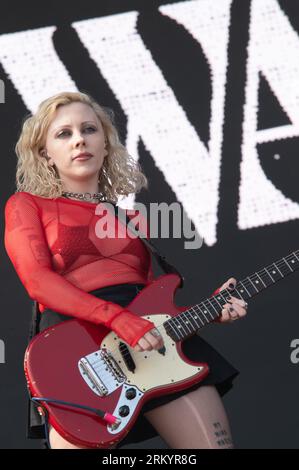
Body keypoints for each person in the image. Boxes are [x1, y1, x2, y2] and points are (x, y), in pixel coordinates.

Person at [4, 91, 248, 450]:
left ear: (105, 144)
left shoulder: (130, 219)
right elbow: (37, 281)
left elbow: (155, 308)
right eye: (64, 134)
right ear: (45, 154)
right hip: (78, 354)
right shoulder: (26, 204)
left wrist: (210, 312)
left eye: (89, 129)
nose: (79, 140)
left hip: (154, 350)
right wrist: (119, 320)